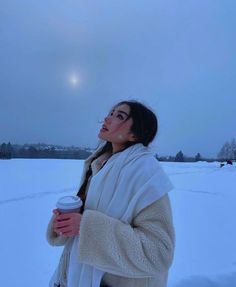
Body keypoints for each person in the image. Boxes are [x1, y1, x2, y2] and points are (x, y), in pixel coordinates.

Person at [46, 100, 175, 287]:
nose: (107, 118)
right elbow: (92, 213)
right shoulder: (99, 165)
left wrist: (86, 227)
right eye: (111, 113)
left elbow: (159, 253)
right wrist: (68, 222)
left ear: (134, 134)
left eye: (120, 116)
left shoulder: (145, 173)